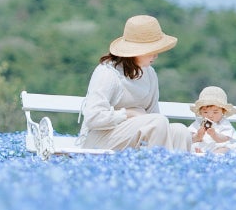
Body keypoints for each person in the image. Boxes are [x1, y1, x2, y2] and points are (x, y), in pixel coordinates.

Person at [79, 15, 191, 151]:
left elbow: (154, 115)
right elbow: (93, 117)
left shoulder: (150, 73)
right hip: (102, 138)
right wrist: (128, 114)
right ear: (136, 51)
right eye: (152, 50)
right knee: (158, 122)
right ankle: (154, 169)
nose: (156, 55)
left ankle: (175, 170)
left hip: (134, 135)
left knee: (180, 131)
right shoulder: (107, 72)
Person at [187, 86, 236, 155]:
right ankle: (200, 153)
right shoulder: (198, 123)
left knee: (226, 149)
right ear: (200, 112)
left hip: (218, 145)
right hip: (203, 145)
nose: (210, 116)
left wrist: (214, 135)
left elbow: (225, 138)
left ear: (223, 111)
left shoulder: (224, 123)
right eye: (205, 112)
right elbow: (191, 138)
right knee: (190, 146)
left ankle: (211, 154)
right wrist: (198, 135)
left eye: (215, 112)